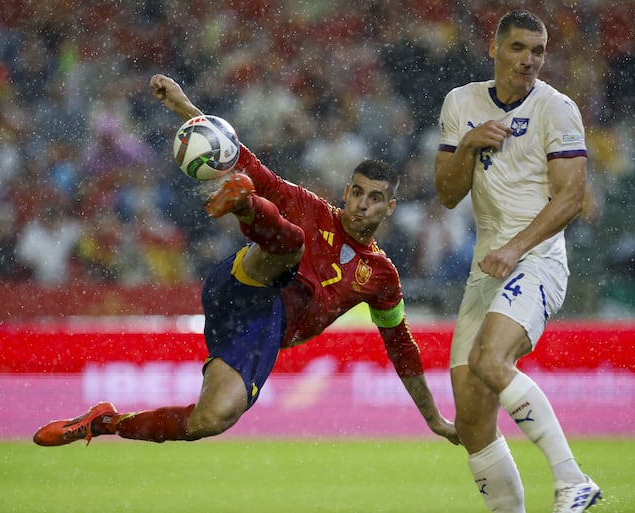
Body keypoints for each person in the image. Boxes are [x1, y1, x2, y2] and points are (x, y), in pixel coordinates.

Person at [33, 74, 459, 448]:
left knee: (210, 420)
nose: (363, 204)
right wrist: (184, 106)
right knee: (291, 245)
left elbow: (401, 347)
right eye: (359, 193)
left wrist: (434, 419)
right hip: (244, 281)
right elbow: (243, 157)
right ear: (346, 192)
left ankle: (103, 422)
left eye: (376, 198)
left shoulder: (381, 276)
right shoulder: (311, 208)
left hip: (259, 331)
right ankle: (243, 205)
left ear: (390, 208)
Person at [433, 10, 600, 513]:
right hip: (488, 266)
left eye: (538, 51)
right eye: (519, 48)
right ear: (495, 48)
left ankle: (573, 479)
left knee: (489, 359)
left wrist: (515, 247)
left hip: (537, 258)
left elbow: (571, 198)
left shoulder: (558, 109)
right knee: (471, 420)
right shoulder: (461, 103)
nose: (529, 60)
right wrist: (467, 144)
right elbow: (446, 194)